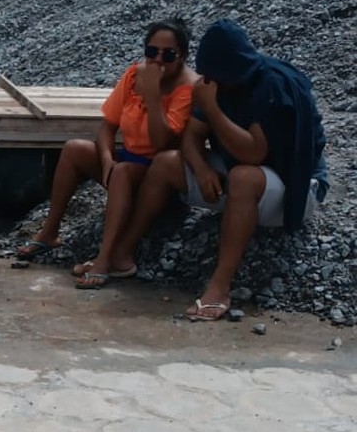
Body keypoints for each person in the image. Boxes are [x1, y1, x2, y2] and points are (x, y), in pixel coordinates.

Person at [108, 18, 328, 321]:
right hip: (240, 182)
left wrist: (212, 109)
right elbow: (191, 139)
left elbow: (253, 152)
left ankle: (219, 286)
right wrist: (201, 169)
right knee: (166, 163)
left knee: (243, 176)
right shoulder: (212, 84)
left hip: (296, 188)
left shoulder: (270, 86)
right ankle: (122, 252)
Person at [15, 18, 197, 289]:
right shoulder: (134, 74)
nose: (158, 60)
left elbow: (162, 144)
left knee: (123, 171)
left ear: (181, 56)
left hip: (159, 172)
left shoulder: (188, 87)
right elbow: (106, 127)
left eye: (168, 55)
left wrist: (152, 96)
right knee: (74, 149)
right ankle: (49, 232)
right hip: (128, 161)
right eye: (151, 52)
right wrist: (107, 159)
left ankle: (105, 258)